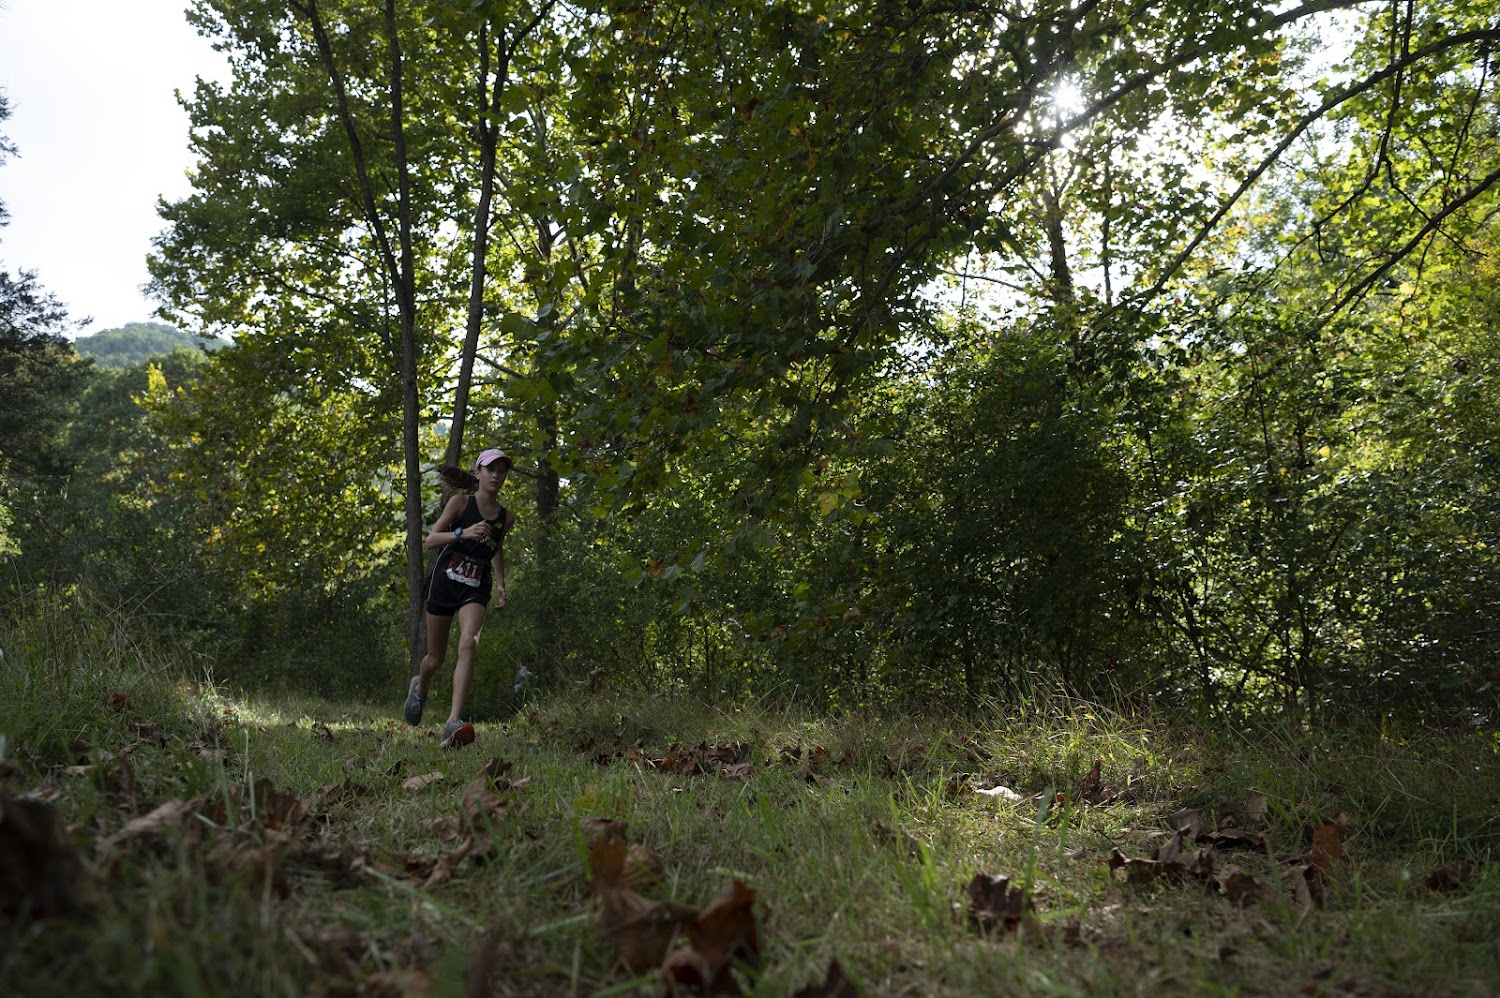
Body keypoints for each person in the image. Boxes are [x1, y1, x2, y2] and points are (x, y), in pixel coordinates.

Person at [404, 447, 515, 748]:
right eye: (490, 469)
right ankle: (420, 686)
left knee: (469, 642)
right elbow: (430, 540)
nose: (496, 475)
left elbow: (496, 548)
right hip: (444, 583)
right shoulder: (460, 503)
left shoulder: (506, 517)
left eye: (502, 471)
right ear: (478, 473)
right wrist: (462, 533)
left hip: (475, 586)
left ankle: (453, 722)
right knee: (435, 660)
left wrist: (502, 585)